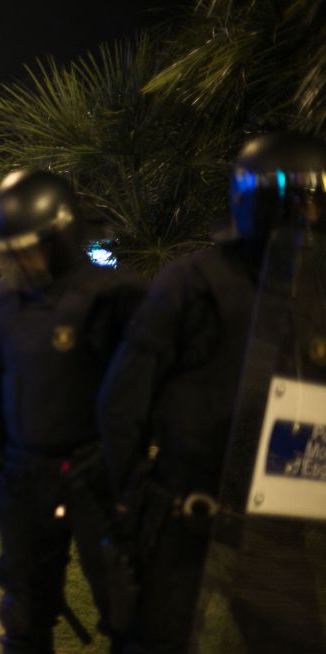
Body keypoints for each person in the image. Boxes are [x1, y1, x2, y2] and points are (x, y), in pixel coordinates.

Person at [96, 133, 326, 653]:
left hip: (280, 528)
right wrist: (133, 498)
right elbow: (122, 403)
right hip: (188, 515)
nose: (308, 218)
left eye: (317, 205)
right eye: (299, 203)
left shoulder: (315, 294)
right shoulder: (193, 282)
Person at [0, 169, 145, 654]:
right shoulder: (6, 300)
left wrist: (128, 465)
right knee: (24, 610)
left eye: (28, 248)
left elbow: (146, 391)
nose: (20, 262)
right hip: (26, 472)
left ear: (61, 238)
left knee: (126, 606)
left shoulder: (116, 295)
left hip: (96, 472)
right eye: (10, 252)